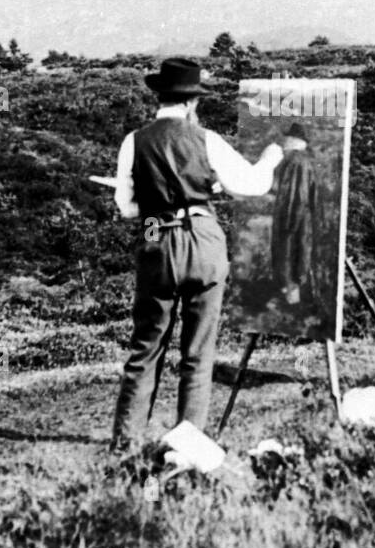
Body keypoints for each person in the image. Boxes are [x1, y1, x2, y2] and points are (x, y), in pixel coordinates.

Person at [111, 57, 282, 450]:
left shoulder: (134, 141)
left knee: (146, 349)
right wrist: (271, 159)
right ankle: (187, 448)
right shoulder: (206, 140)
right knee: (197, 352)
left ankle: (126, 448)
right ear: (191, 103)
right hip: (203, 237)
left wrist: (161, 205)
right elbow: (253, 185)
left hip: (156, 237)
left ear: (161, 97)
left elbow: (126, 206)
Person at [270, 122, 319, 309]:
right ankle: (290, 298)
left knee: (291, 257)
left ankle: (292, 304)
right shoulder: (300, 160)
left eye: (287, 138)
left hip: (293, 219)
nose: (284, 141)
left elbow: (298, 196)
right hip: (296, 218)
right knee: (293, 258)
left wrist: (288, 224)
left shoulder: (296, 162)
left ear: (294, 140)